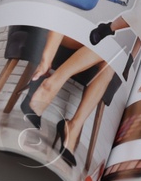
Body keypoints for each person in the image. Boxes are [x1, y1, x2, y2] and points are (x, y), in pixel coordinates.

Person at [20, 32, 116, 168]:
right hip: (64, 28)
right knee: (110, 47)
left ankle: (74, 126)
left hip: (93, 36)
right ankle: (48, 86)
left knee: (111, 61)